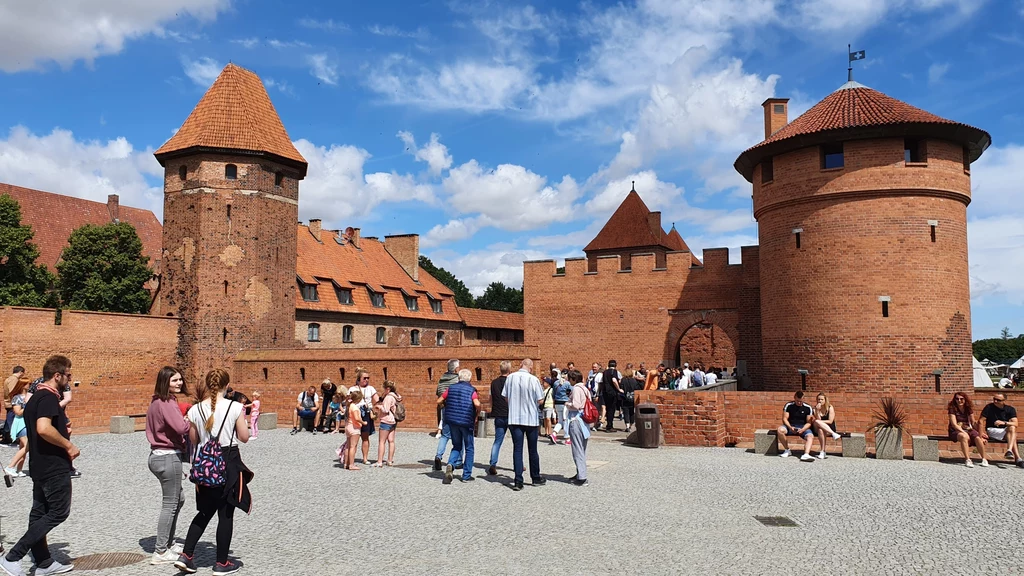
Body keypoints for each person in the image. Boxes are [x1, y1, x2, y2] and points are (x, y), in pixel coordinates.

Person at [1, 355, 80, 576]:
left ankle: (44, 562)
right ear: (58, 375)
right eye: (68, 374)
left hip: (39, 464)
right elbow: (43, 428)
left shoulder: (35, 397)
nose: (70, 378)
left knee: (39, 513)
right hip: (53, 465)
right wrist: (68, 446)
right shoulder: (47, 398)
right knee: (58, 512)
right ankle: (13, 556)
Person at [174, 368, 251, 575]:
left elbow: (194, 440)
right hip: (228, 461)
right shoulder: (235, 407)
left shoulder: (195, 409)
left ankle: (187, 554)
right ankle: (221, 563)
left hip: (205, 464)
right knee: (226, 514)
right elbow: (244, 437)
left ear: (208, 386)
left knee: (205, 511)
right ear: (227, 386)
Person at [145, 367, 190, 565]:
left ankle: (168, 543)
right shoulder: (168, 402)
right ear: (165, 382)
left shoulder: (155, 401)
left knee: (178, 499)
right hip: (168, 456)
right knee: (170, 504)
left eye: (180, 380)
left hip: (157, 455)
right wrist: (191, 421)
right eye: (174, 381)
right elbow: (181, 428)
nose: (179, 383)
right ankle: (161, 551)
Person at [503, 358, 545, 491]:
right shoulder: (534, 380)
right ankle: (535, 477)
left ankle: (518, 481)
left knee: (517, 449)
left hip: (515, 417)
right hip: (531, 419)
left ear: (521, 365)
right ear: (531, 367)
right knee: (533, 449)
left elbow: (505, 397)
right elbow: (540, 400)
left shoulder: (510, 378)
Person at [438, 369, 480, 484]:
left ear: (459, 378)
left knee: (456, 445)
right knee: (469, 448)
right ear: (470, 378)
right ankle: (466, 475)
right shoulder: (472, 390)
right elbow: (477, 403)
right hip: (466, 422)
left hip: (452, 421)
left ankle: (451, 464)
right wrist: (477, 413)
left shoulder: (450, 388)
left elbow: (439, 400)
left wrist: (445, 407)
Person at [565, 369, 591, 486]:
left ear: (573, 379)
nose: (568, 380)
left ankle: (582, 477)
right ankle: (580, 472)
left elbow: (576, 405)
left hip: (576, 420)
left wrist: (567, 403)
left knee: (577, 449)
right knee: (582, 449)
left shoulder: (576, 389)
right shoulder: (585, 389)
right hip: (585, 421)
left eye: (569, 378)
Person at [947, 392, 988, 468]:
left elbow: (973, 422)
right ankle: (968, 459)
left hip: (967, 428)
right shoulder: (952, 409)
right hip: (956, 430)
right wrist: (963, 432)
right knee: (963, 436)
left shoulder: (968, 409)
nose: (959, 400)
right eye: (957, 399)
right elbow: (954, 424)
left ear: (965, 399)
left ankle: (984, 459)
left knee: (978, 438)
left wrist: (981, 433)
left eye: (961, 399)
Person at [979, 393, 1020, 467]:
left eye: (998, 400)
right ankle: (1017, 458)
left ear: (1004, 401)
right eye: (994, 399)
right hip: (992, 429)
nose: (995, 401)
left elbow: (1016, 423)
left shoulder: (1010, 409)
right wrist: (981, 433)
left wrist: (1004, 423)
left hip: (1005, 430)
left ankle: (1010, 451)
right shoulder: (989, 407)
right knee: (1013, 435)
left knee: (1012, 429)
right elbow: (981, 421)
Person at [433, 359, 460, 471]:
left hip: (444, 408)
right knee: (459, 436)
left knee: (445, 435)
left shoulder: (442, 378)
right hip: (456, 409)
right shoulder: (457, 379)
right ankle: (458, 461)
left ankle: (438, 456)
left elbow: (438, 392)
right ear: (456, 368)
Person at [776, 391, 816, 461]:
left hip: (803, 426)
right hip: (790, 425)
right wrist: (790, 427)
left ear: (803, 399)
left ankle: (806, 454)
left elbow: (809, 423)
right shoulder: (788, 405)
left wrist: (803, 429)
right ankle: (787, 450)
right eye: (797, 401)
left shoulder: (808, 407)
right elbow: (784, 419)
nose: (799, 403)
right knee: (780, 430)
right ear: (794, 398)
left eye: (801, 401)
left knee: (810, 436)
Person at [487, 361, 511, 476]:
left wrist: (493, 408)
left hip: (498, 414)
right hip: (511, 415)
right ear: (509, 370)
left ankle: (493, 463)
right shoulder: (511, 382)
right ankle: (519, 464)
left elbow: (490, 399)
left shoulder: (493, 383)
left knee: (497, 441)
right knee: (517, 442)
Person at [4, 378, 30, 478]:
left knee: (23, 447)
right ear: (23, 385)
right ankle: (10, 467)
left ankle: (19, 469)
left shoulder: (29, 396)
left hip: (27, 423)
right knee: (28, 446)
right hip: (20, 424)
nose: (30, 385)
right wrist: (29, 406)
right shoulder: (17, 398)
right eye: (28, 384)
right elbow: (18, 412)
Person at [353, 369, 379, 464]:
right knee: (354, 437)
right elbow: (348, 402)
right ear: (359, 379)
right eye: (364, 378)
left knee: (365, 437)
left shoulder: (371, 388)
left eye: (368, 378)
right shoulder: (353, 389)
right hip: (356, 413)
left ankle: (365, 458)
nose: (366, 380)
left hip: (367, 413)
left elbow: (377, 400)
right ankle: (351, 458)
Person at [374, 381, 402, 467]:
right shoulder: (396, 396)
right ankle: (389, 460)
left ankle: (379, 462)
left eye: (384, 388)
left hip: (386, 420)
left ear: (388, 389)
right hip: (393, 420)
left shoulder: (388, 397)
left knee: (382, 442)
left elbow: (385, 410)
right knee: (391, 441)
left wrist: (379, 406)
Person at [811, 392, 842, 459]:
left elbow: (830, 421)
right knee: (817, 423)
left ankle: (822, 451)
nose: (820, 401)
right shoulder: (814, 409)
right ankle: (833, 434)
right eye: (818, 399)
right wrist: (817, 411)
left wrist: (820, 422)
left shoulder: (830, 408)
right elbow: (818, 419)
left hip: (829, 427)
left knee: (820, 429)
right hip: (817, 428)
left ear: (825, 400)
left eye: (822, 399)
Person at [3, 366, 25, 445]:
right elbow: (13, 391)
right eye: (22, 373)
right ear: (20, 372)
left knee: (9, 420)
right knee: (11, 421)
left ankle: (6, 437)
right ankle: (12, 438)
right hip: (12, 404)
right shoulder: (14, 380)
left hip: (9, 403)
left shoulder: (9, 378)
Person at [344, 389, 365, 470]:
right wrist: (363, 422)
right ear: (358, 399)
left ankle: (346, 463)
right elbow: (357, 418)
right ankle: (351, 465)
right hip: (354, 428)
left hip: (348, 427)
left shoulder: (349, 405)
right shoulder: (355, 407)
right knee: (353, 447)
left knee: (348, 447)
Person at [601, 360, 622, 432]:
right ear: (615, 365)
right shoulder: (614, 372)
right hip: (612, 392)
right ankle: (609, 426)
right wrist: (619, 389)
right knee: (611, 410)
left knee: (607, 408)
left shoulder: (605, 372)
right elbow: (614, 380)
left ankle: (608, 425)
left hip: (605, 392)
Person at [619, 368, 642, 433]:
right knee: (632, 412)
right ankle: (631, 425)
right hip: (632, 398)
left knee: (626, 412)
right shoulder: (634, 380)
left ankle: (627, 426)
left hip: (625, 398)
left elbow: (621, 388)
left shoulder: (623, 380)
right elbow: (637, 388)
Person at [540, 376, 557, 443]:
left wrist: (553, 405)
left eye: (544, 382)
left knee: (548, 418)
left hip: (549, 405)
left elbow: (553, 398)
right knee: (544, 419)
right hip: (544, 405)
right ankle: (546, 432)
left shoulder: (551, 390)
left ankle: (549, 432)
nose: (543, 384)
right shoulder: (543, 390)